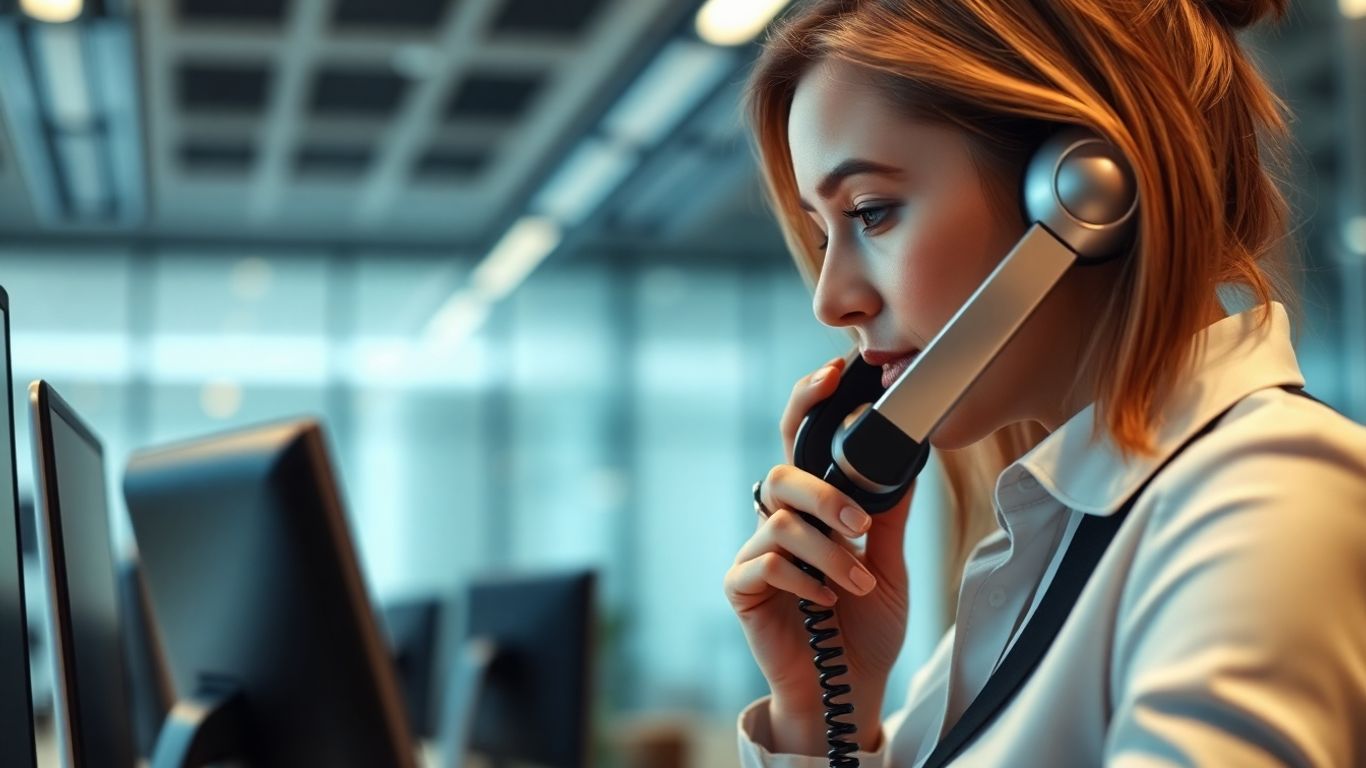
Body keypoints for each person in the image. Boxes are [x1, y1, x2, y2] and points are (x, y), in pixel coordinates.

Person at [722, 0, 1366, 765]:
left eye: (871, 211)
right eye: (825, 234)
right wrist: (824, 706)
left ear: (1080, 197)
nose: (832, 300)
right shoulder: (1050, 545)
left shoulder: (1266, 499)